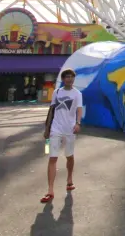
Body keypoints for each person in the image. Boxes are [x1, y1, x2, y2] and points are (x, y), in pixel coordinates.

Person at [41, 68, 83, 203]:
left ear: (73, 79)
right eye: (67, 77)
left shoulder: (77, 94)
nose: (69, 79)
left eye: (71, 77)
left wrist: (78, 123)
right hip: (55, 129)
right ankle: (50, 190)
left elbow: (79, 109)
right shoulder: (57, 92)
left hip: (70, 129)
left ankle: (69, 178)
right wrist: (47, 128)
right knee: (52, 157)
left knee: (69, 156)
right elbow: (52, 110)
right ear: (63, 79)